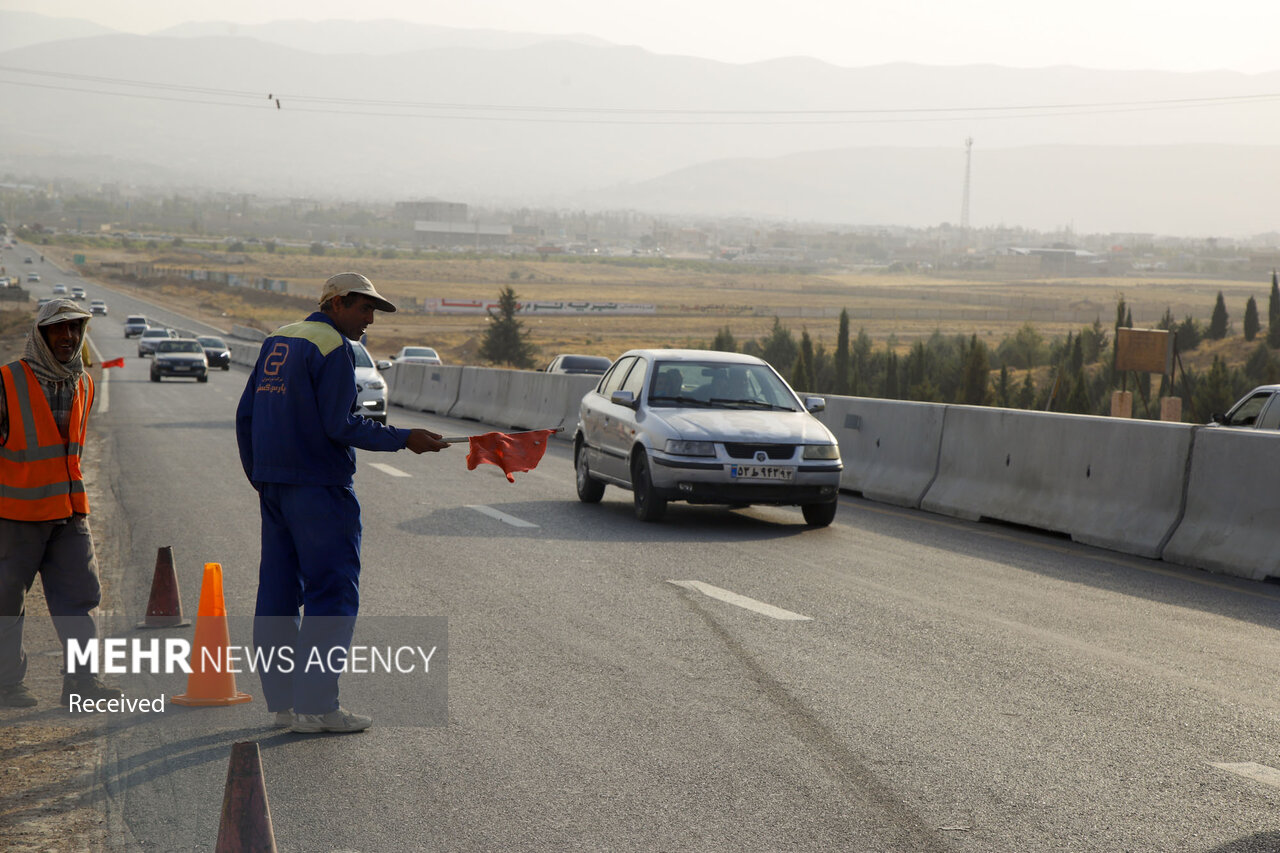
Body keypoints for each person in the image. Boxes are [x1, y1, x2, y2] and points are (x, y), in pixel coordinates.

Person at [235, 272, 449, 734]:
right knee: (331, 594)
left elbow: (246, 414)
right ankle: (317, 706)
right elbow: (341, 424)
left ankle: (285, 705)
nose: (370, 319)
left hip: (275, 486)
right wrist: (403, 438)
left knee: (276, 596)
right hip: (319, 488)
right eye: (364, 308)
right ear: (335, 303)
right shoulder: (334, 347)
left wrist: (261, 477)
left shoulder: (279, 338)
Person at [0, 299, 122, 708]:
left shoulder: (83, 383)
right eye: (57, 328)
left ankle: (81, 684)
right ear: (41, 335)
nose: (67, 336)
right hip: (15, 517)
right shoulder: (7, 381)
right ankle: (7, 685)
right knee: (6, 602)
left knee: (80, 599)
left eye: (73, 328)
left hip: (69, 515)